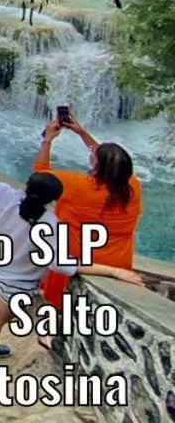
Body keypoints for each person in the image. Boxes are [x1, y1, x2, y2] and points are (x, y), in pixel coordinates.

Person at [0, 170, 144, 368]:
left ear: (27, 183)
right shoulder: (50, 224)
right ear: (53, 200)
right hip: (16, 282)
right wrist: (113, 271)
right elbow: (63, 264)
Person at [33, 116, 142, 306]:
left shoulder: (75, 185)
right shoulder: (133, 186)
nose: (92, 150)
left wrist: (48, 139)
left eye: (94, 154)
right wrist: (82, 133)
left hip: (79, 264)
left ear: (95, 166)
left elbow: (39, 175)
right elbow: (112, 163)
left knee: (59, 311)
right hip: (117, 263)